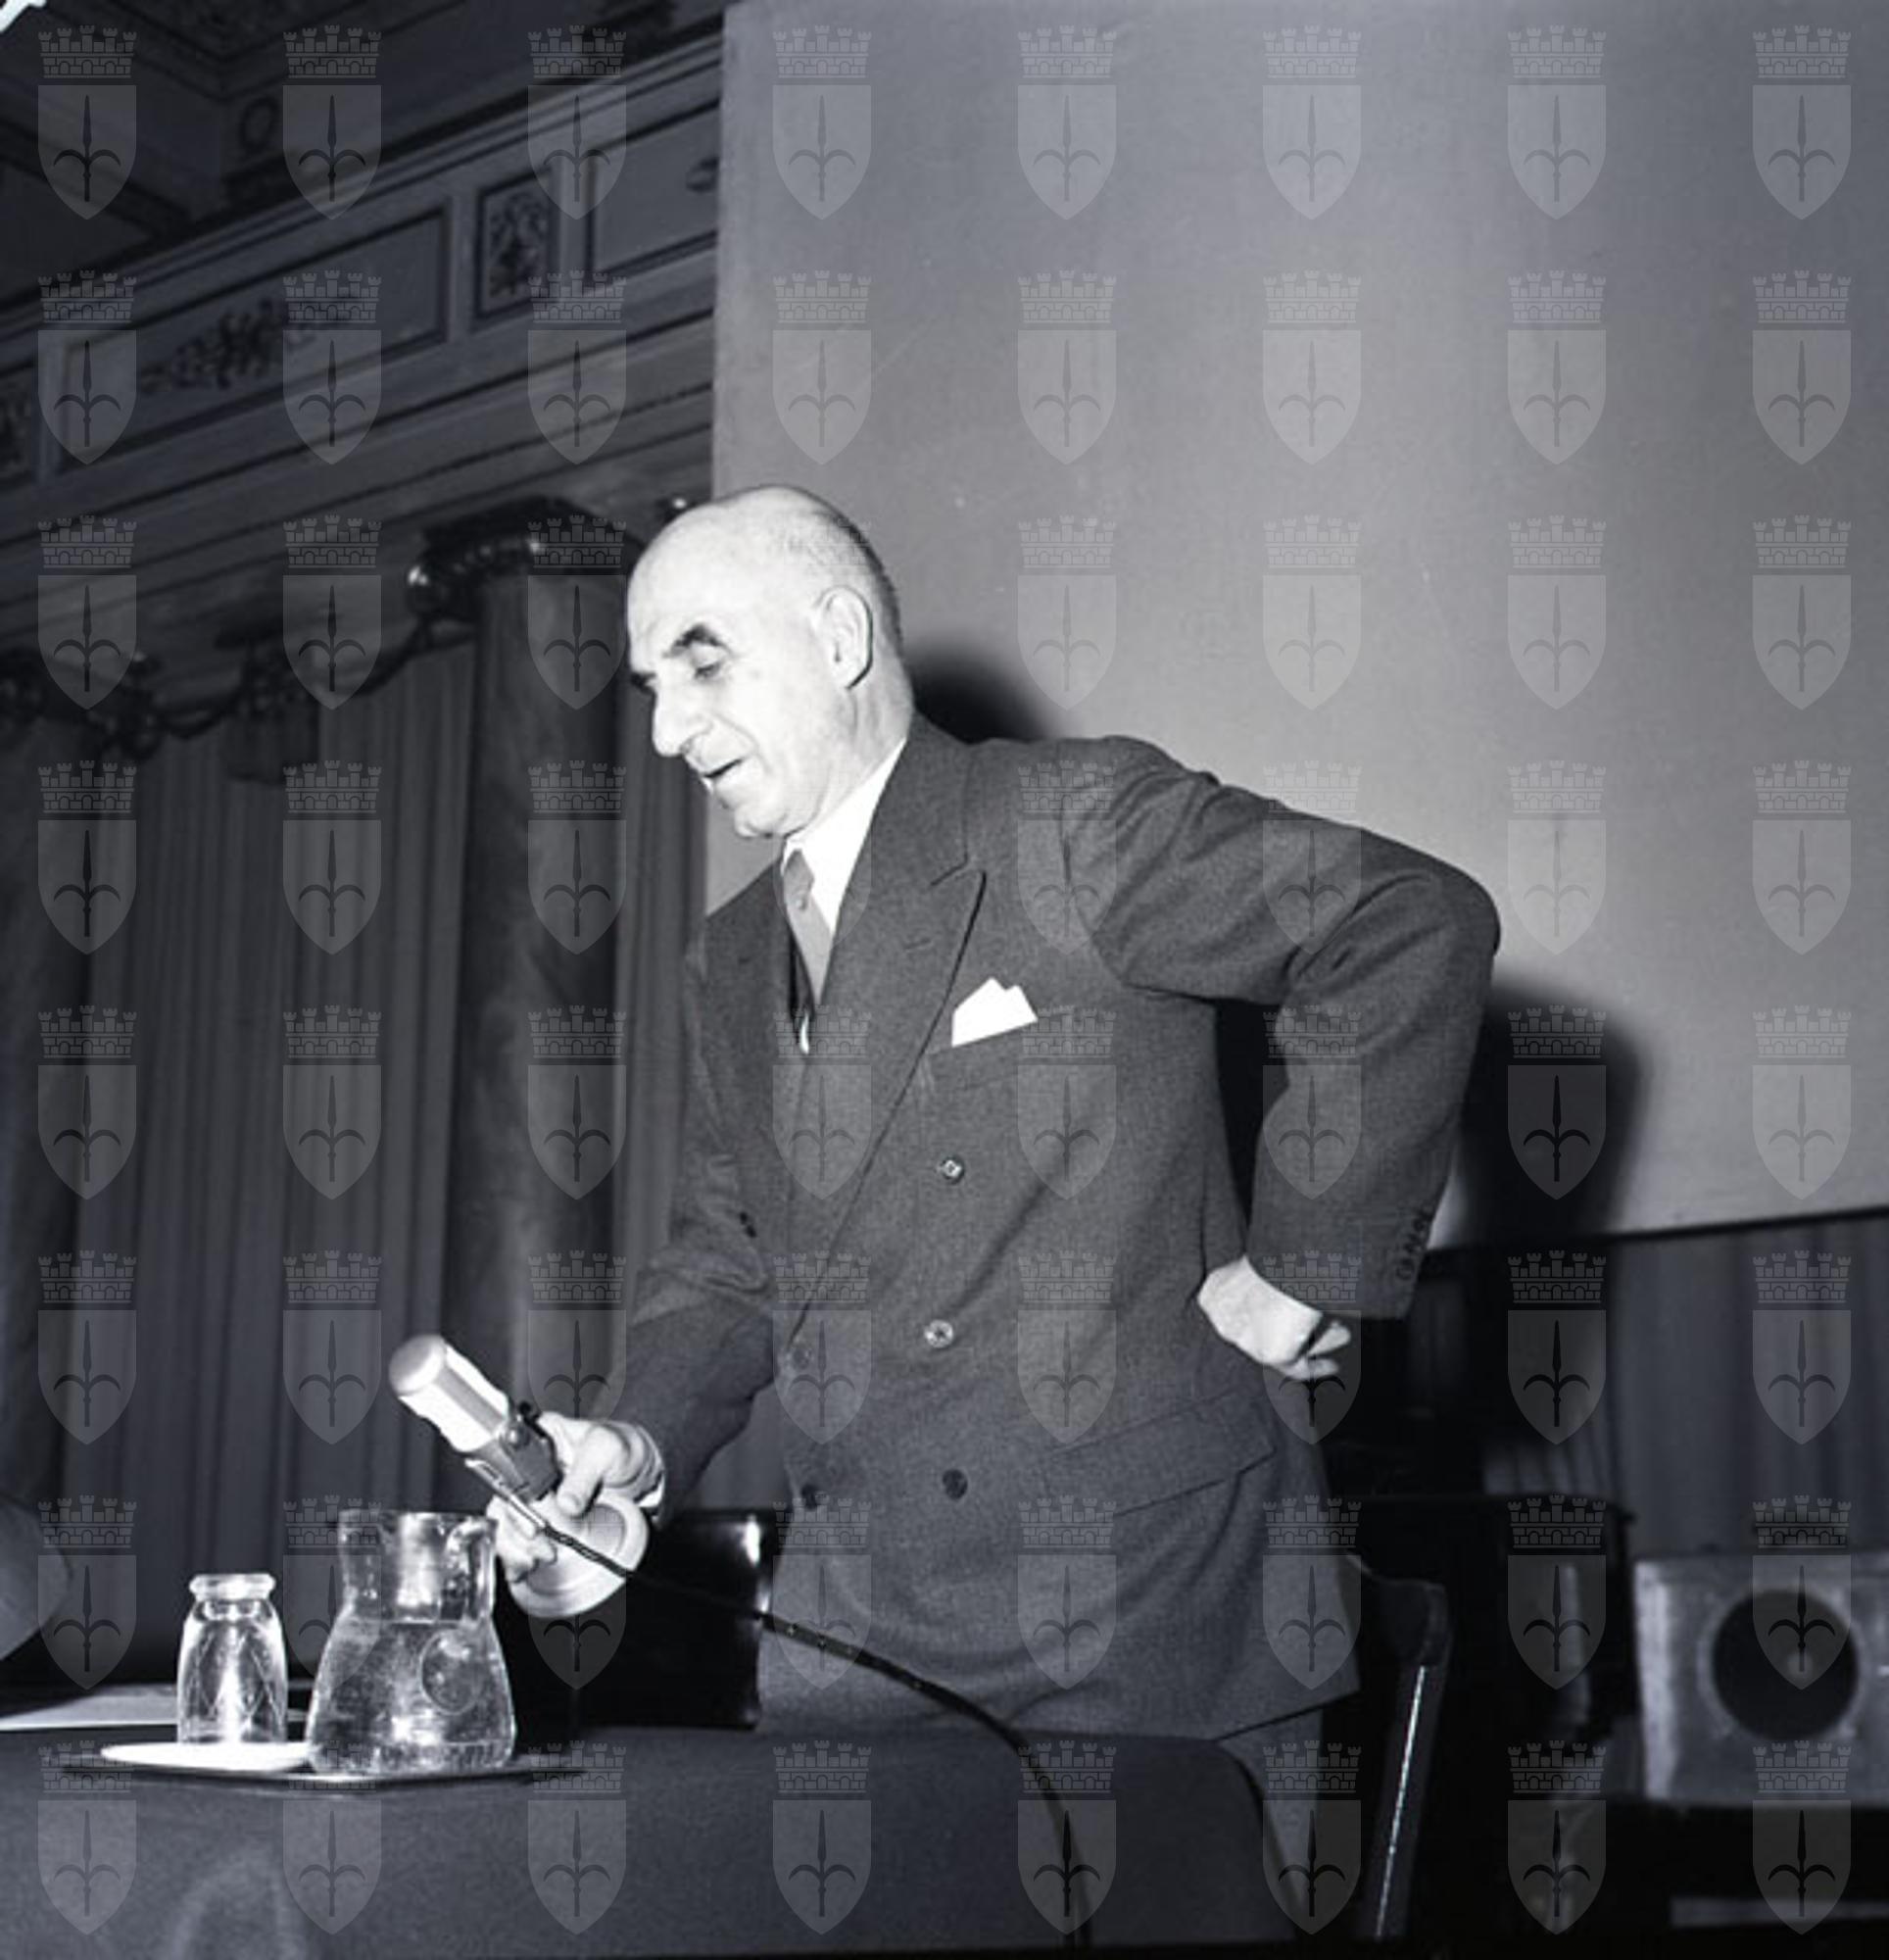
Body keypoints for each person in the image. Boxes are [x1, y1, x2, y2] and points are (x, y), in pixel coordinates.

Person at [493, 485, 1499, 1794]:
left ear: (839, 637)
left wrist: (1306, 1263)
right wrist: (637, 1439)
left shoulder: (1066, 823)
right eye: (650, 690)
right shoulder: (726, 957)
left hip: (1144, 1638)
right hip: (862, 1655)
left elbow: (1403, 922)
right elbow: (729, 1259)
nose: (670, 730)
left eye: (703, 664)